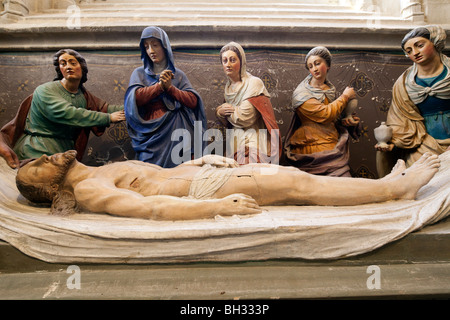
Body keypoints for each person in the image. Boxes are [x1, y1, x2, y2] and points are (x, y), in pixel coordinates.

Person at [16, 149, 441, 221]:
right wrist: (217, 207)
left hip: (203, 176)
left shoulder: (97, 171)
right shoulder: (89, 190)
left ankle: (386, 183)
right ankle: (392, 191)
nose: (43, 158)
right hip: (204, 192)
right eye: (35, 166)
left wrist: (199, 159)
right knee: (295, 183)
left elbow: (158, 175)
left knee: (293, 181)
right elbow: (152, 209)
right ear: (51, 190)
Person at [0, 49, 125, 169]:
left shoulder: (83, 95)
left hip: (65, 152)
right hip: (38, 151)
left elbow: (106, 108)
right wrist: (108, 118)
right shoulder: (45, 90)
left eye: (72, 62)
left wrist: (135, 104)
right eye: (63, 63)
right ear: (59, 69)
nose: (68, 66)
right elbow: (67, 113)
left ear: (82, 67)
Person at [124, 26, 207, 168]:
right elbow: (134, 99)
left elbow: (193, 101)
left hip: (177, 128)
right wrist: (160, 86)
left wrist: (170, 88)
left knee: (179, 170)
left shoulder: (178, 75)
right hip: (150, 131)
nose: (151, 50)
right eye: (147, 46)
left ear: (165, 46)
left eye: (155, 45)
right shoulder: (139, 74)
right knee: (149, 171)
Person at [376, 25, 450, 177]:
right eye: (409, 51)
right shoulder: (404, 83)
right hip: (423, 144)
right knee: (417, 181)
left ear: (435, 42)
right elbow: (399, 120)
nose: (415, 53)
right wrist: (393, 143)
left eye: (419, 45)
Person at [284, 46, 361, 177]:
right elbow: (325, 115)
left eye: (317, 63)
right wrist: (345, 96)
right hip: (311, 144)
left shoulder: (329, 89)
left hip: (332, 142)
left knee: (343, 184)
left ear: (328, 65)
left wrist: (347, 120)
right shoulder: (302, 94)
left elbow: (334, 117)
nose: (314, 68)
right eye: (310, 66)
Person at [215, 42, 281, 164]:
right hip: (235, 140)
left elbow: (245, 117)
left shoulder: (254, 83)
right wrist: (220, 112)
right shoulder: (228, 88)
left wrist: (226, 109)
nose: (228, 64)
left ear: (241, 62)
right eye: (225, 61)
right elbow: (227, 122)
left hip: (254, 139)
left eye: (232, 60)